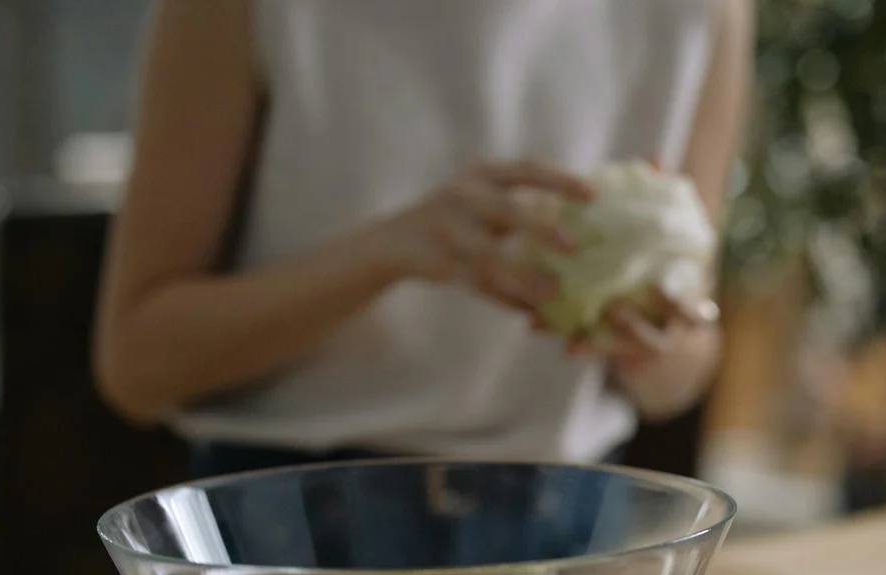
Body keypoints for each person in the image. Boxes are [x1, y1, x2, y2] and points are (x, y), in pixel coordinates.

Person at [93, 0, 752, 482]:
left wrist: (654, 342)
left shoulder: (703, 11)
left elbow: (683, 366)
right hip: (286, 524)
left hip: (569, 526)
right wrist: (386, 253)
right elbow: (137, 365)